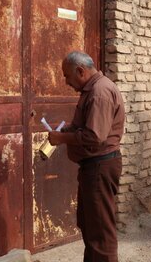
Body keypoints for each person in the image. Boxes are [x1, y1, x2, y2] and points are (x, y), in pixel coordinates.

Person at [48, 51, 125, 262]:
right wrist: (67, 131)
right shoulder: (92, 90)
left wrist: (63, 139)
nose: (66, 82)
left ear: (80, 71)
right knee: (90, 226)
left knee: (100, 232)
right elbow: (87, 126)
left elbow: (95, 136)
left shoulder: (99, 92)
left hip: (100, 166)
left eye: (67, 76)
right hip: (94, 167)